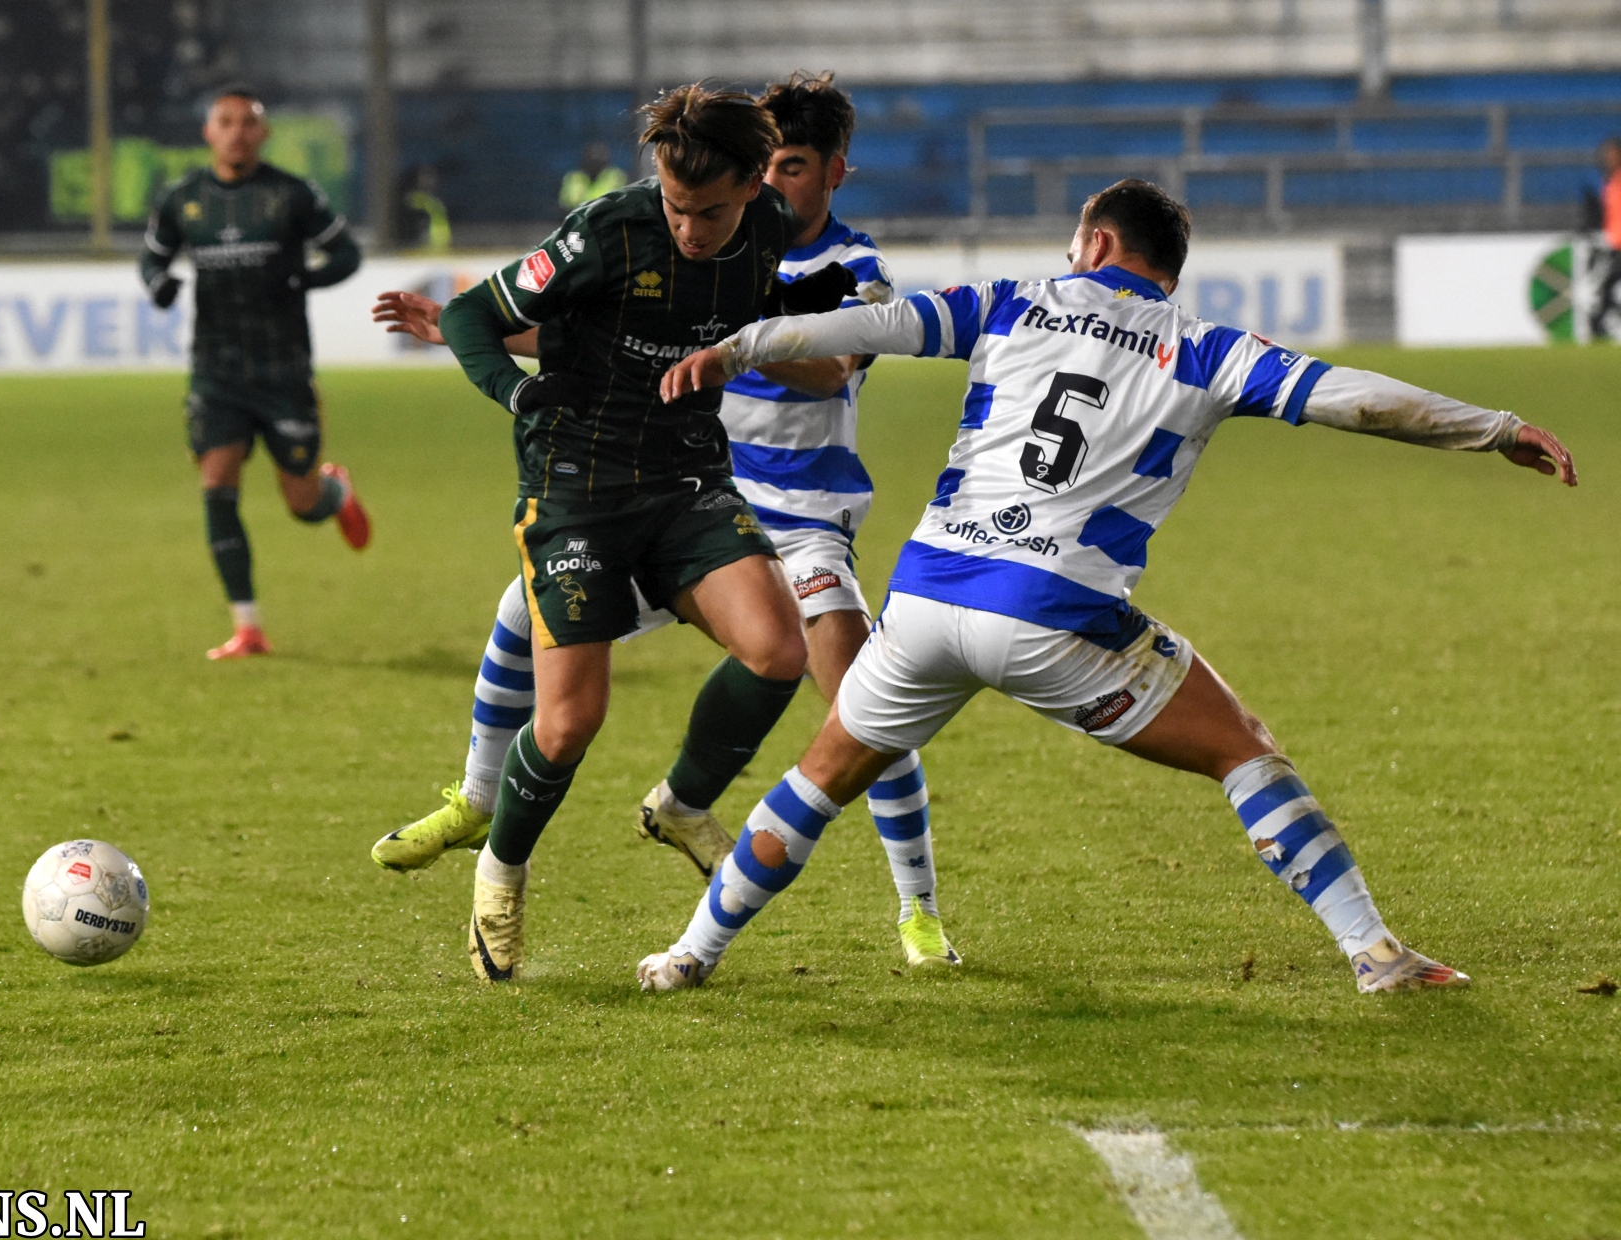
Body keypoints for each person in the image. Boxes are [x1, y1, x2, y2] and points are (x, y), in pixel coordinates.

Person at [636, 178, 1578, 995]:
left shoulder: (1009, 301)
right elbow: (1360, 399)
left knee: (817, 782)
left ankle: (688, 953)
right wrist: (1493, 429)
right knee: (1245, 752)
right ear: (1168, 269)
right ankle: (1375, 952)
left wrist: (740, 347)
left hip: (924, 599)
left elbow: (869, 325)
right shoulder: (1206, 348)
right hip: (1051, 613)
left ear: (1094, 242)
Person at [368, 73, 961, 970]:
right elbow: (494, 315)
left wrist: (731, 352)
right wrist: (511, 379)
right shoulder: (610, 227)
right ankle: (497, 857)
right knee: (567, 718)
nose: (690, 228)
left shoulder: (788, 244)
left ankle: (697, 808)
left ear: (761, 184)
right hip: (579, 490)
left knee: (788, 657)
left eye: (709, 212)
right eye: (679, 208)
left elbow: (814, 356)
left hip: (705, 489)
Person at [140, 84, 373, 661]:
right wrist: (158, 283)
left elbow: (346, 254)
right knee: (217, 485)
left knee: (301, 504)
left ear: (263, 134)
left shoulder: (290, 196)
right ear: (208, 132)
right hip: (216, 372)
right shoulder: (183, 198)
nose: (237, 131)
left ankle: (335, 491)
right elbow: (152, 256)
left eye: (248, 122)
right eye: (226, 121)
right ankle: (248, 627)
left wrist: (302, 279)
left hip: (283, 371)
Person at [1587, 138, 1621, 339]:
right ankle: (1600, 328)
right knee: (1606, 287)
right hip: (1615, 244)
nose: (1608, 158)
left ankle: (1599, 329)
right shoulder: (1608, 181)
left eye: (1613, 154)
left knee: (1606, 286)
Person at [559, 141, 628, 211]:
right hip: (579, 218)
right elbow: (565, 205)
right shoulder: (573, 178)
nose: (595, 165)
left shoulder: (616, 177)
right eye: (591, 161)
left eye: (598, 161)